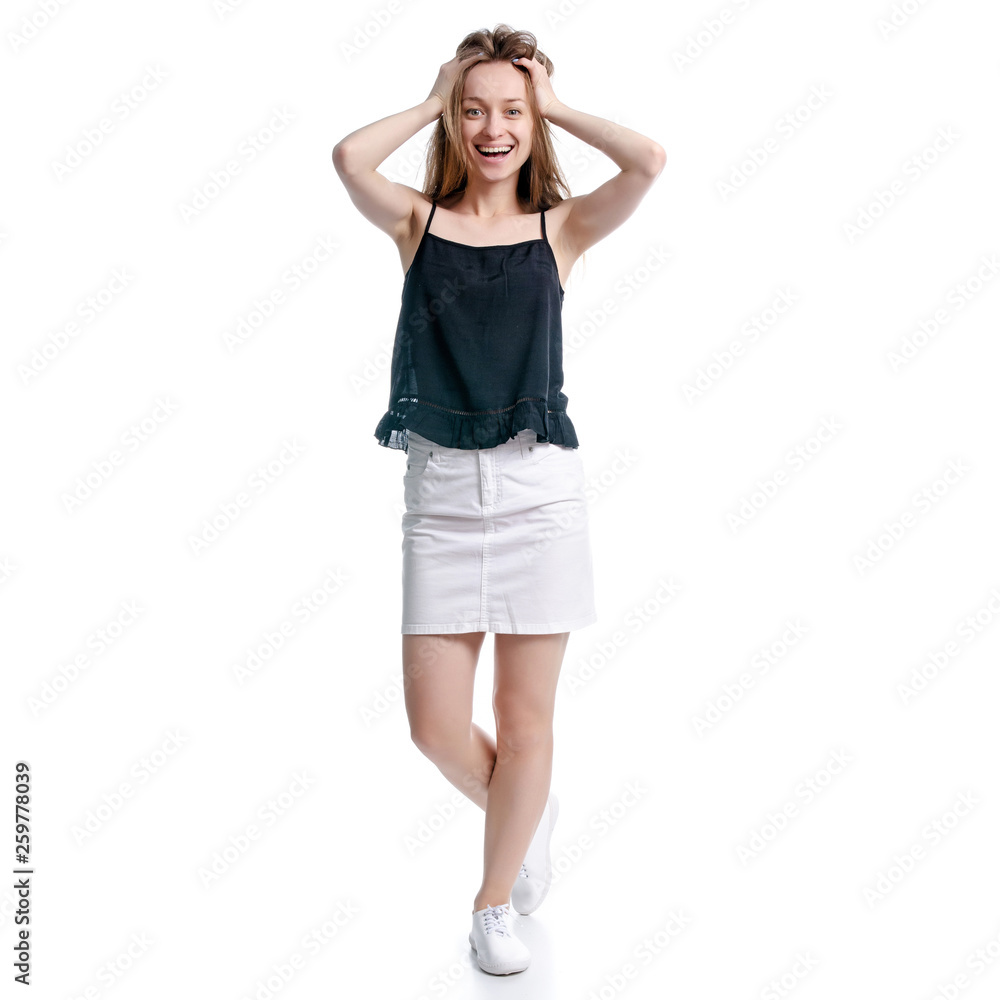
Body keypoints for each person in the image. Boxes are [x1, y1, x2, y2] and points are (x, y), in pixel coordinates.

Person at [332, 23, 665, 976]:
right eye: (475, 110)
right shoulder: (417, 222)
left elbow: (648, 160)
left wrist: (554, 101)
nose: (493, 127)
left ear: (532, 122)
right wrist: (436, 89)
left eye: (510, 112)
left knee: (527, 728)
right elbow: (348, 157)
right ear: (454, 116)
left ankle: (491, 904)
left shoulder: (561, 229)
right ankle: (529, 809)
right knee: (434, 729)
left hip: (537, 494)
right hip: (439, 494)